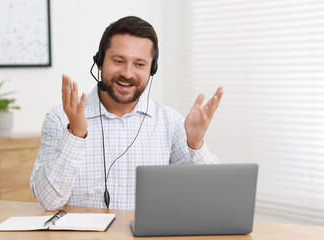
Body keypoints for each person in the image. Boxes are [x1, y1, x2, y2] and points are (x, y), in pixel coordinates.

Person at [30, 16, 223, 211]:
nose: (128, 73)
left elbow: (214, 195)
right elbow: (49, 201)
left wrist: (196, 145)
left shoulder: (171, 122)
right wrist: (75, 134)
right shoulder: (60, 119)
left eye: (139, 64)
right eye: (119, 61)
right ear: (99, 62)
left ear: (152, 70)